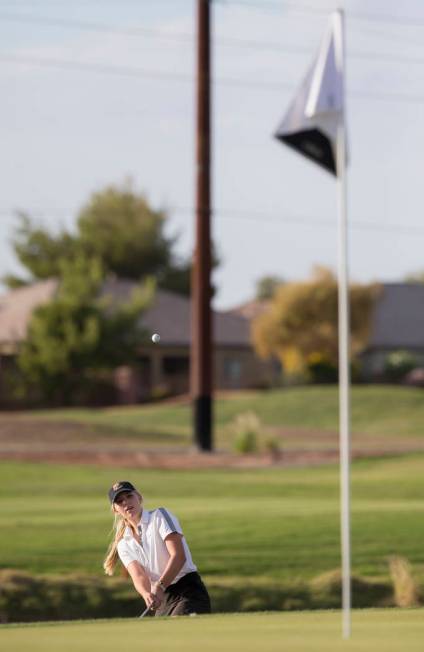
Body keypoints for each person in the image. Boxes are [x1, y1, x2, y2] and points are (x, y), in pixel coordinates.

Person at [103, 480, 211, 617]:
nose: (125, 502)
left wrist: (159, 586)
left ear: (139, 497)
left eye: (129, 496)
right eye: (119, 501)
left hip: (189, 591)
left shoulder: (160, 516)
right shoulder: (123, 543)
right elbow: (138, 576)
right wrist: (146, 594)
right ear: (115, 510)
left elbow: (178, 556)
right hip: (163, 600)